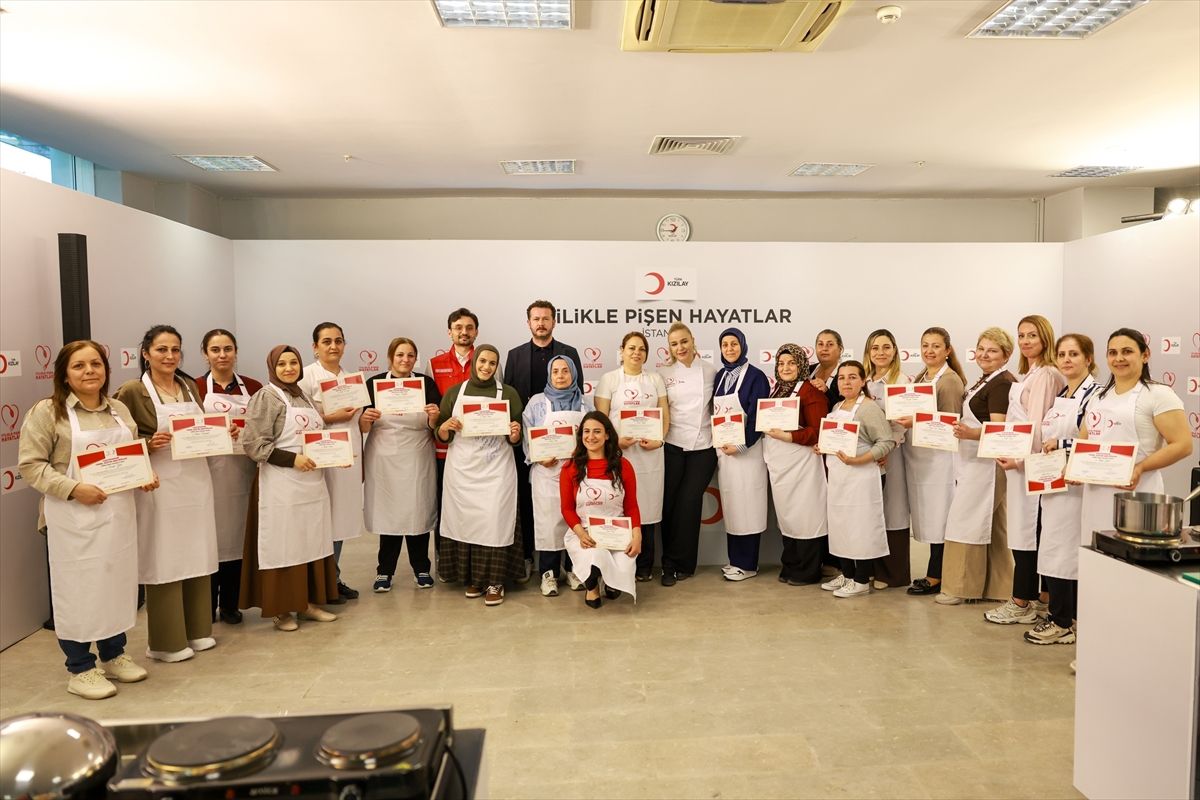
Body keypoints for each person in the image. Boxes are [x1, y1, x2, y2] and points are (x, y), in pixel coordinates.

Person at [18, 341, 157, 699]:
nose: (90, 371)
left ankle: (113, 654)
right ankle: (80, 667)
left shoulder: (119, 410)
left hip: (117, 515)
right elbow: (31, 465)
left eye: (96, 364)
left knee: (114, 585)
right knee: (78, 591)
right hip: (72, 518)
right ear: (64, 373)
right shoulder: (48, 413)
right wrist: (73, 488)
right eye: (79, 366)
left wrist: (143, 474)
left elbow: (131, 455)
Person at [115, 325, 219, 662]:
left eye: (175, 350)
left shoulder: (188, 386)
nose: (170, 356)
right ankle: (167, 641)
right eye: (161, 350)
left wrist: (220, 431)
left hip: (195, 480)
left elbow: (201, 425)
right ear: (145, 353)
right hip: (160, 485)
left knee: (197, 551)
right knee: (165, 555)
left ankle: (199, 630)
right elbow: (118, 440)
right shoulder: (132, 391)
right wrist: (148, 443)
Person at [240, 344, 339, 631]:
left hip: (310, 484)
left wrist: (336, 454)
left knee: (310, 541)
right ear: (272, 367)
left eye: (293, 363)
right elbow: (254, 443)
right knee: (283, 545)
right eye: (282, 364)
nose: (288, 369)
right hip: (280, 484)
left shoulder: (304, 396)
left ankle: (306, 604)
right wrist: (292, 458)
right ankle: (281, 609)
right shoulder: (266, 397)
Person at [1077, 327, 1192, 544]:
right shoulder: (1098, 398)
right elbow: (1084, 442)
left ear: (1145, 355)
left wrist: (1140, 468)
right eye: (1112, 352)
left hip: (1138, 498)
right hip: (1094, 497)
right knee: (1096, 562)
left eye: (1127, 351)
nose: (1119, 358)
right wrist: (1073, 467)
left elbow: (1183, 445)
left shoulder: (1159, 395)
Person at [987, 315, 1066, 625]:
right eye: (1021, 335)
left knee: (1028, 532)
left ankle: (1022, 600)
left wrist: (1020, 460)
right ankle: (1040, 597)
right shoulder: (1030, 373)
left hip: (1031, 464)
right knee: (1026, 530)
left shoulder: (1046, 374)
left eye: (1032, 335)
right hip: (1018, 462)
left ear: (1045, 338)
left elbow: (1035, 425)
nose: (1026, 341)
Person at [1023, 334, 1100, 645]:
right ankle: (1066, 615)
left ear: (1088, 359)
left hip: (1073, 485)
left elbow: (1092, 438)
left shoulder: (1092, 395)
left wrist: (1064, 444)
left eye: (1074, 354)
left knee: (1062, 551)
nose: (1067, 360)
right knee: (1054, 547)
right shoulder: (1063, 393)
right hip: (1051, 481)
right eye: (1063, 354)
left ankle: (1062, 620)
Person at [435, 345, 524, 606]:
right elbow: (440, 434)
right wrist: (445, 427)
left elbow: (515, 438)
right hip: (462, 472)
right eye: (482, 361)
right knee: (468, 522)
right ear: (474, 362)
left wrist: (516, 433)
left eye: (492, 363)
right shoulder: (454, 392)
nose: (486, 367)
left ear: (498, 367)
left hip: (496, 470)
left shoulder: (508, 394)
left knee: (495, 522)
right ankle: (474, 577)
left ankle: (495, 580)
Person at [504, 300, 584, 584]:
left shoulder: (569, 355)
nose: (541, 323)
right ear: (529, 322)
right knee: (539, 513)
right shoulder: (514, 356)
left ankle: (575, 568)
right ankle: (538, 565)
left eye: (546, 318)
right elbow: (513, 405)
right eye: (536, 319)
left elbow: (582, 422)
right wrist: (535, 453)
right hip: (540, 460)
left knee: (575, 516)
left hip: (574, 466)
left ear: (553, 321)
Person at [937, 328, 1016, 605]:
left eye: (992, 350)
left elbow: (1000, 428)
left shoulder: (1002, 384)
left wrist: (971, 434)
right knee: (993, 526)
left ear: (1006, 355)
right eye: (981, 349)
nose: (984, 354)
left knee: (966, 521)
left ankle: (960, 587)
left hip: (986, 464)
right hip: (974, 461)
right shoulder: (984, 381)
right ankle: (1000, 586)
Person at [360, 337, 441, 592]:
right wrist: (366, 418)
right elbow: (363, 427)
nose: (405, 360)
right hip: (384, 457)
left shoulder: (425, 383)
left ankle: (421, 569)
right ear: (390, 357)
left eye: (410, 355)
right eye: (400, 355)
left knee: (417, 511)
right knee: (389, 515)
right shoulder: (374, 384)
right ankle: (385, 571)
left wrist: (434, 417)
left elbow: (433, 425)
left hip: (416, 455)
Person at [195, 328, 263, 625]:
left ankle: (232, 603)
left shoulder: (253, 386)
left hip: (243, 472)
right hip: (207, 471)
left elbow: (264, 428)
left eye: (227, 349)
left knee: (238, 537)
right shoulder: (194, 387)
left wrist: (244, 431)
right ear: (205, 354)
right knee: (210, 538)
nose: (222, 355)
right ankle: (206, 603)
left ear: (236, 352)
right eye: (215, 350)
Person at [594, 332, 671, 581]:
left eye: (641, 349)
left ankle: (645, 565)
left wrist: (659, 440)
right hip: (620, 454)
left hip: (650, 456)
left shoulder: (655, 379)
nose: (636, 353)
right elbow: (601, 419)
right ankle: (619, 563)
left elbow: (665, 415)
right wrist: (615, 442)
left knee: (647, 508)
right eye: (631, 348)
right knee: (618, 505)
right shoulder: (609, 379)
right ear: (622, 350)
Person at [818, 362, 897, 598]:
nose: (846, 382)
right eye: (842, 378)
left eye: (853, 377)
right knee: (842, 525)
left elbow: (886, 442)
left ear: (863, 381)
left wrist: (860, 459)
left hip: (863, 477)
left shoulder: (869, 409)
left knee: (860, 528)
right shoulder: (837, 406)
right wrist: (821, 447)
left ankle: (862, 580)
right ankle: (848, 573)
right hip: (840, 477)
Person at [299, 321, 363, 602]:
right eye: (326, 342)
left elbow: (359, 423)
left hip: (346, 460)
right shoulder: (304, 377)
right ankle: (316, 583)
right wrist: (329, 417)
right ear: (315, 347)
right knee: (319, 521)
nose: (333, 346)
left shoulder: (353, 380)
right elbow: (298, 421)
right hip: (318, 460)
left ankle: (332, 578)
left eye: (338, 341)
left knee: (340, 520)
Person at [902, 327, 966, 596]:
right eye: (925, 345)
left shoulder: (949, 381)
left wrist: (914, 420)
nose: (930, 350)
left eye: (936, 346)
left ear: (947, 350)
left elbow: (949, 425)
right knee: (929, 518)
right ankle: (934, 571)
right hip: (922, 459)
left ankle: (937, 575)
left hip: (940, 460)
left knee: (940, 518)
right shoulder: (921, 376)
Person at [522, 355, 592, 597]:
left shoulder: (585, 403)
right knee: (549, 524)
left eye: (565, 371)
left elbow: (594, 435)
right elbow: (526, 436)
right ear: (549, 375)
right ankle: (548, 573)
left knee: (577, 523)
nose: (560, 376)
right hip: (547, 473)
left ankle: (575, 569)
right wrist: (537, 456)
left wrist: (583, 454)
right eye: (555, 371)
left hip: (578, 473)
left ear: (573, 373)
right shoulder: (536, 403)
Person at [762, 343, 829, 585]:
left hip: (803, 464)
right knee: (788, 517)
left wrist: (789, 437)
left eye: (791, 363)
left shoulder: (811, 391)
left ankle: (808, 570)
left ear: (801, 364)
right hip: (781, 466)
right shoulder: (777, 391)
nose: (786, 367)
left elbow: (819, 431)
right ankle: (790, 565)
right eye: (781, 363)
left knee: (806, 517)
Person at [560, 411, 642, 608]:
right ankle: (592, 586)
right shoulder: (570, 468)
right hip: (585, 530)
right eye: (586, 431)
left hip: (618, 531)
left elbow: (631, 505)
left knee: (622, 564)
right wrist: (580, 534)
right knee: (595, 556)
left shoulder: (623, 466)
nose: (591, 436)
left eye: (597, 431)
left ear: (607, 435)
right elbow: (567, 509)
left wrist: (637, 535)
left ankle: (610, 580)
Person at [712, 327, 772, 581]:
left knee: (749, 506)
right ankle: (735, 560)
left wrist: (741, 444)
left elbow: (758, 415)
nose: (729, 349)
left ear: (743, 345)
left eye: (734, 344)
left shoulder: (756, 376)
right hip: (725, 452)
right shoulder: (719, 377)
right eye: (724, 344)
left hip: (747, 452)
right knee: (734, 506)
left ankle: (748, 564)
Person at [658, 322, 715, 585]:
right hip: (672, 445)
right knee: (669, 505)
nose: (680, 347)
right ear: (669, 348)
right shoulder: (662, 373)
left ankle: (685, 564)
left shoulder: (711, 371)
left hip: (703, 447)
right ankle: (668, 564)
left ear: (692, 340)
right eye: (674, 344)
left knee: (690, 504)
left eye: (683, 341)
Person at [428, 308, 479, 579]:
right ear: (449, 331)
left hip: (479, 451)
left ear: (476, 332)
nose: (464, 332)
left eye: (469, 327)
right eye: (458, 327)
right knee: (445, 507)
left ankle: (473, 560)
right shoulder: (434, 364)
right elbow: (432, 409)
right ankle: (446, 563)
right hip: (444, 450)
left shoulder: (486, 361)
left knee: (475, 506)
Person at [864, 329, 912, 589]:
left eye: (886, 347)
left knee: (893, 510)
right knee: (873, 509)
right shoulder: (866, 381)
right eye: (875, 348)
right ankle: (872, 567)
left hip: (891, 455)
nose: (880, 353)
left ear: (895, 351)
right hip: (867, 456)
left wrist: (886, 449)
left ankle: (893, 574)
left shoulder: (901, 381)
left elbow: (901, 424)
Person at [809, 329, 845, 409]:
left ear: (840, 349)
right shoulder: (807, 370)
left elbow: (847, 408)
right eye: (820, 344)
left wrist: (826, 391)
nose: (824, 348)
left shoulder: (845, 374)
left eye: (830, 344)